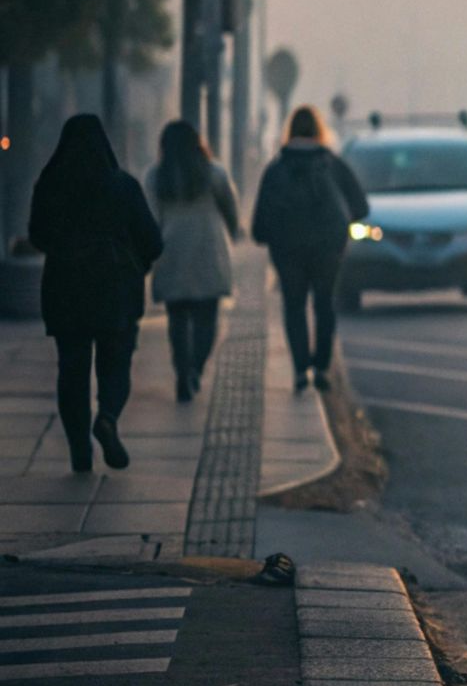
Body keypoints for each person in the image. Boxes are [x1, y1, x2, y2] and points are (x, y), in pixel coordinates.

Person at [28, 114, 163, 472]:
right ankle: (107, 417)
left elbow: (37, 235)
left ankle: (79, 450)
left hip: (65, 291)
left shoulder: (50, 185)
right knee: (115, 362)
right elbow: (152, 240)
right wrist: (136, 264)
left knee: (71, 369)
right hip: (115, 290)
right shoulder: (124, 186)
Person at [251, 105, 367, 393]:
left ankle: (300, 369)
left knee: (294, 305)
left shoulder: (276, 168)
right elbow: (361, 206)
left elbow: (260, 222)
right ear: (319, 130)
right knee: (324, 304)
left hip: (287, 249)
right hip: (328, 248)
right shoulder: (333, 164)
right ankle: (321, 368)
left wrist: (270, 236)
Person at [146, 121, 239, 402]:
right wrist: (232, 234)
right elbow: (230, 209)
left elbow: (150, 217)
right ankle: (197, 367)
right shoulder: (214, 173)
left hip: (172, 253)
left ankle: (182, 372)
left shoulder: (155, 177)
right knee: (206, 319)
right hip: (207, 252)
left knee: (177, 319)